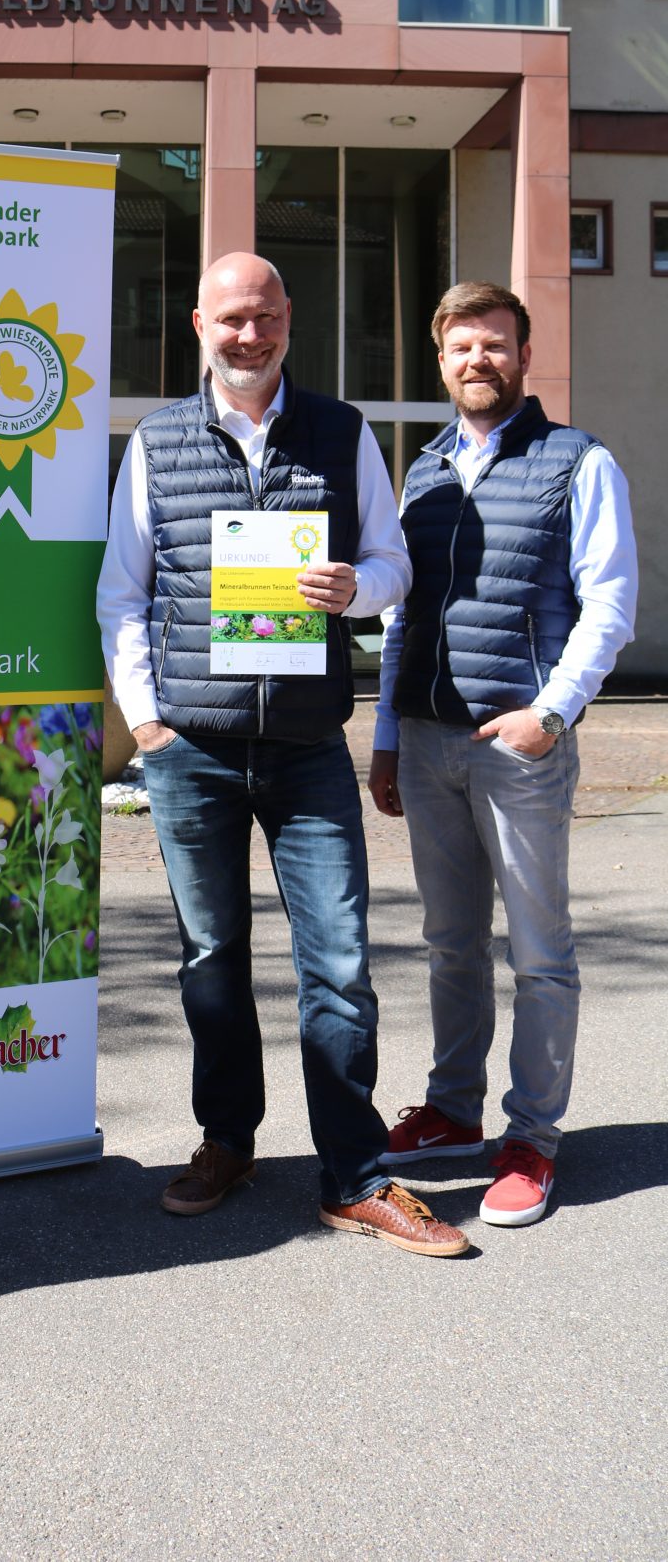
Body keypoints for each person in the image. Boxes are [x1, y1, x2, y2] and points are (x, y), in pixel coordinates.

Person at [98, 252, 468, 1258]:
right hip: (192, 752)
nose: (248, 335)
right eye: (230, 319)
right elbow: (122, 593)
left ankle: (354, 1176)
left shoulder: (341, 432)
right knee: (212, 962)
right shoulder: (158, 441)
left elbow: (397, 563)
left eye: (262, 316)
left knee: (339, 967)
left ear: (288, 318)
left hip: (307, 749)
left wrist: (358, 590)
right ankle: (228, 1140)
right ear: (198, 326)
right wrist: (146, 722)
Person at [369, 281, 636, 1228]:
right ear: (440, 362)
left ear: (524, 355)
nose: (476, 361)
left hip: (520, 749)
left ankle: (534, 1138)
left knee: (539, 953)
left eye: (494, 345)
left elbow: (608, 606)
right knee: (449, 945)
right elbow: (405, 616)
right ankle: (452, 1111)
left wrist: (552, 714)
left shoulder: (579, 463)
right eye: (460, 349)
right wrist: (389, 736)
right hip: (431, 740)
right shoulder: (425, 471)